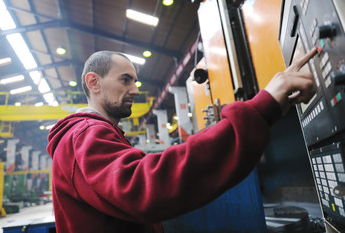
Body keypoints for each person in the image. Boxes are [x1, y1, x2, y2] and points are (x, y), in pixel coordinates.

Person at [47, 48, 317, 233]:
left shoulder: (95, 134)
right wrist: (260, 108)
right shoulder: (84, 134)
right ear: (93, 82)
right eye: (126, 80)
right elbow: (144, 187)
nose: (136, 89)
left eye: (136, 81)